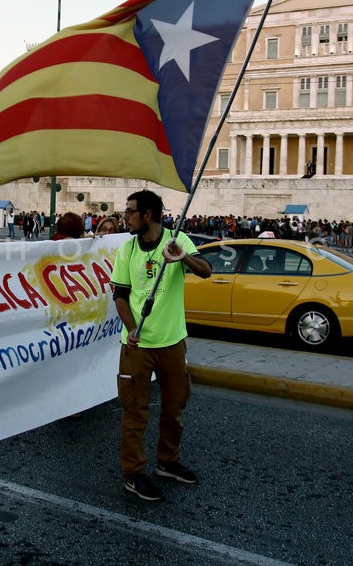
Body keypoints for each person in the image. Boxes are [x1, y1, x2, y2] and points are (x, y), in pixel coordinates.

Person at [110, 190, 212, 502]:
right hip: (138, 346)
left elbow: (206, 271)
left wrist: (183, 257)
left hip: (172, 343)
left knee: (174, 408)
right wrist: (131, 330)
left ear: (148, 215)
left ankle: (168, 461)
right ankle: (133, 473)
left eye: (130, 212)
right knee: (135, 411)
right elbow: (120, 295)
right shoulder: (127, 250)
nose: (124, 217)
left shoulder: (176, 240)